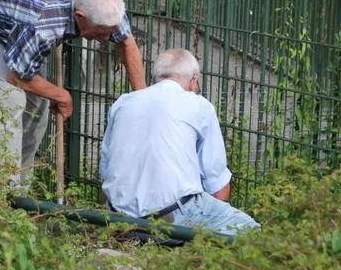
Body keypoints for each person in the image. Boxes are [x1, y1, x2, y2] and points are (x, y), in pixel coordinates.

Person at [0, 0, 146, 188]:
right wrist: (61, 95)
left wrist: (142, 101)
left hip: (18, 20)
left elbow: (126, 42)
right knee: (12, 98)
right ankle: (1, 190)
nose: (106, 39)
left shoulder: (107, 1)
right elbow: (16, 76)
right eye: (102, 32)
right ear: (80, 17)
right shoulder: (45, 24)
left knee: (37, 107)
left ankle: (22, 188)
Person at [100, 49, 260, 236]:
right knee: (251, 230)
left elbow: (106, 171)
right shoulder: (199, 106)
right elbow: (217, 185)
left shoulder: (122, 103)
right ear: (194, 81)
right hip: (170, 216)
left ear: (155, 79)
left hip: (118, 215)